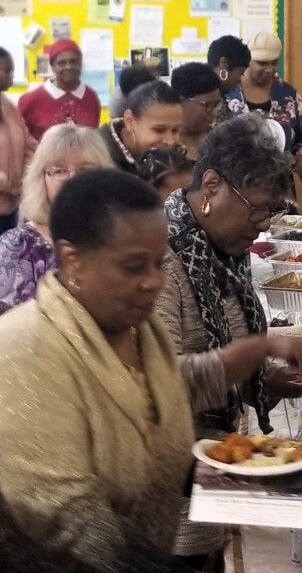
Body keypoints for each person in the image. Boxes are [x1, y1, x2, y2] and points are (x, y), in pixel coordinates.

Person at [154, 114, 302, 569]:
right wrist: (262, 350)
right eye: (256, 209)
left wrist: (280, 382)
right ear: (212, 185)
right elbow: (161, 389)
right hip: (166, 510)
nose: (260, 225)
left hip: (212, 485)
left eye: (271, 213)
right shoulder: (159, 260)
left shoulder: (221, 253)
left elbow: (223, 368)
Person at [0, 169, 196, 572]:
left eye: (159, 264)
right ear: (73, 260)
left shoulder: (145, 333)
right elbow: (70, 518)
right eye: (133, 267)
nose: (154, 282)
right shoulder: (22, 348)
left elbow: (156, 444)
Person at [0, 123, 112, 315]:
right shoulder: (16, 246)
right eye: (59, 171)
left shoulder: (118, 237)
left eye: (85, 170)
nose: (72, 180)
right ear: (41, 178)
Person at [226, 31, 302, 191]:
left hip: (279, 187)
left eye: (274, 63)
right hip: (236, 187)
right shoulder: (229, 93)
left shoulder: (286, 93)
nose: (270, 69)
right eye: (262, 63)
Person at [17, 39, 101, 140]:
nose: (68, 66)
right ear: (52, 66)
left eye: (74, 61)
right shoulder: (30, 100)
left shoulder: (91, 97)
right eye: (61, 63)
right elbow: (19, 139)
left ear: (81, 64)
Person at [99, 79, 183, 173]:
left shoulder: (177, 156)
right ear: (130, 121)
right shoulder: (94, 159)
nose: (170, 141)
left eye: (175, 130)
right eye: (159, 130)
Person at [0, 47, 36, 234]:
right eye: (7, 69)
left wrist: (28, 177)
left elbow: (27, 143)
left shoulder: (8, 106)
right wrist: (7, 184)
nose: (12, 75)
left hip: (12, 207)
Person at [170, 62, 223, 160]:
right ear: (181, 100)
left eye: (217, 105)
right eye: (207, 105)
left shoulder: (217, 144)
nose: (215, 112)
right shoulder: (166, 146)